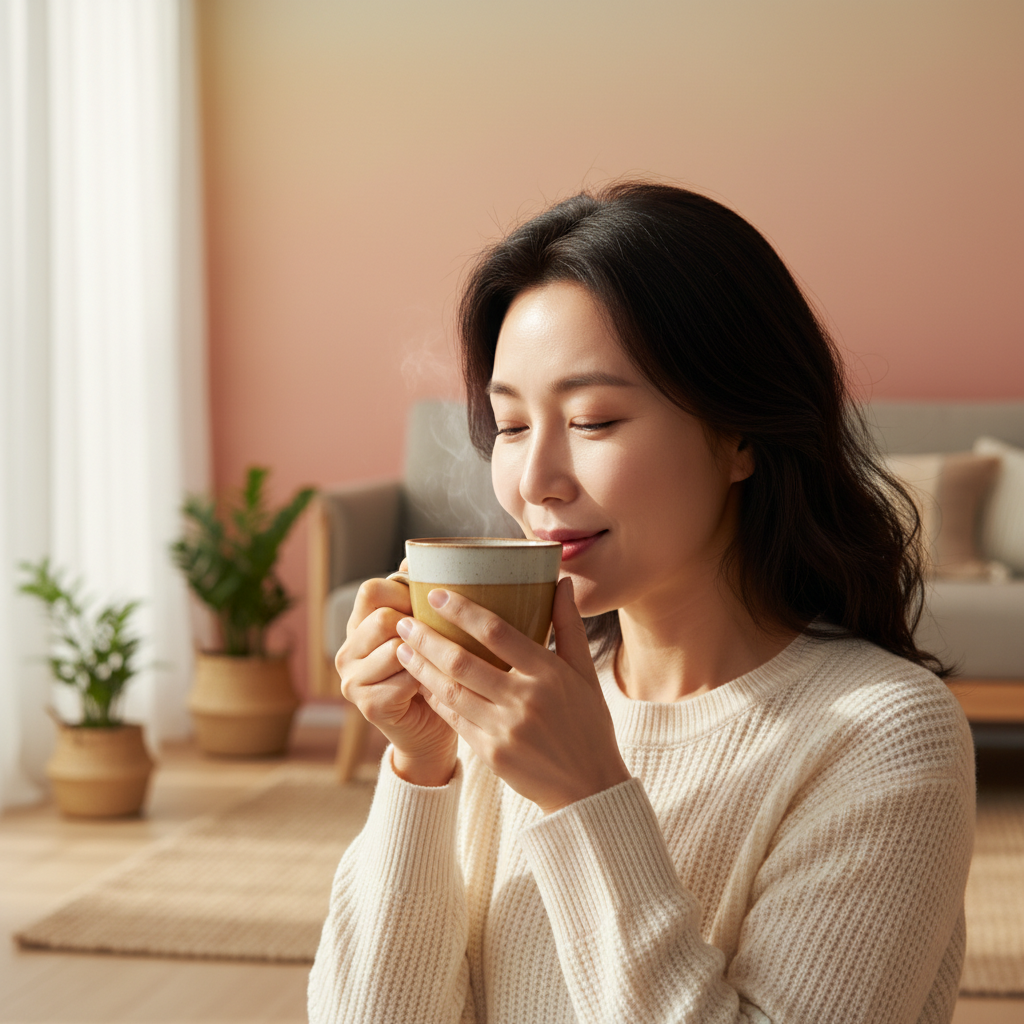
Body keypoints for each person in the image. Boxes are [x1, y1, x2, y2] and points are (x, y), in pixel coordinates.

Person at [308, 182, 974, 1024]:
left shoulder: (880, 733)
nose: (537, 482)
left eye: (592, 421)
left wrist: (588, 795)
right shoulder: (511, 708)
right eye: (511, 427)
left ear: (740, 435)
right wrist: (420, 769)